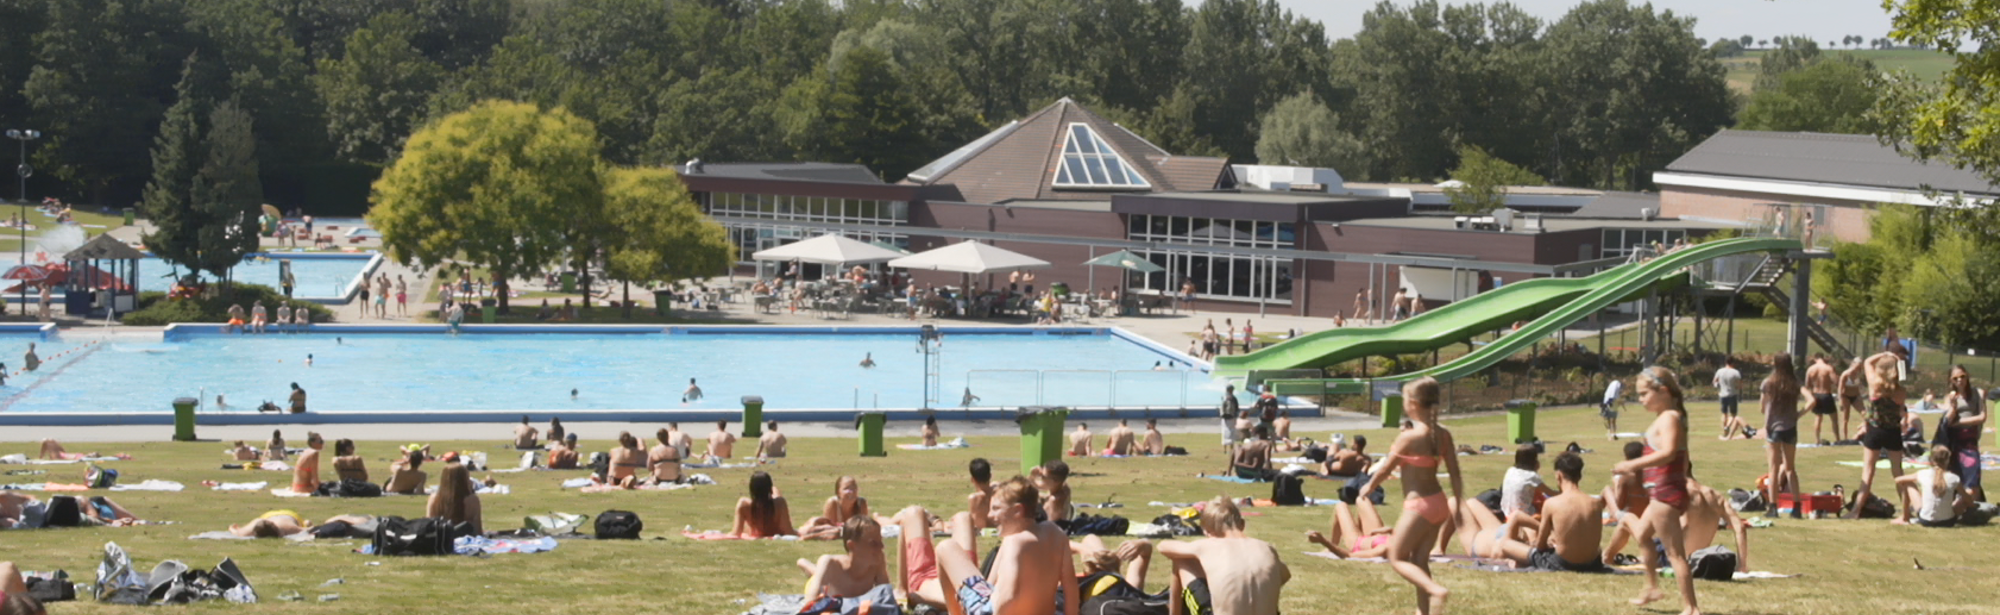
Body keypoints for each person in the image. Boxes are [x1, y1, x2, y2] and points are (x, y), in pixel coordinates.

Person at [1358, 376, 1463, 615]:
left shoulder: (1410, 436)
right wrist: (1459, 504)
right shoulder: (1443, 434)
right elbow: (1455, 473)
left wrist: (1369, 486)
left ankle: (1435, 590)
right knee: (1419, 560)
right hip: (1439, 503)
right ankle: (1423, 611)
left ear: (1413, 403)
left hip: (1419, 506)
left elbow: (1385, 467)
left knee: (1397, 557)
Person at [1613, 366, 1698, 613]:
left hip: (1665, 494)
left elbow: (1669, 452)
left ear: (1662, 390)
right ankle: (1651, 587)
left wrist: (1631, 464)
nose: (1640, 400)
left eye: (1643, 394)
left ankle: (1691, 608)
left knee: (1675, 553)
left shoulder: (1670, 417)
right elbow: (1682, 457)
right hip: (1661, 493)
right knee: (1642, 535)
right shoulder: (1669, 417)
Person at [935, 476, 1078, 615]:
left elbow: (1008, 596)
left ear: (1017, 510)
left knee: (945, 547)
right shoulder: (1056, 533)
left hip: (997, 611)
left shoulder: (1014, 543)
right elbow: (1070, 587)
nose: (990, 515)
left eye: (996, 508)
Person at [1159, 496, 1289, 615]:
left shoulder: (1207, 545)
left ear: (1207, 531)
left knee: (1181, 559)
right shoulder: (1266, 548)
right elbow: (1285, 575)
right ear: (1242, 525)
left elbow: (1163, 546)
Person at [1849, 341, 1910, 520]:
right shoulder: (1901, 391)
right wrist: (1897, 361)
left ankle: (1856, 510)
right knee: (1898, 473)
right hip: (1893, 431)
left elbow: (1868, 362)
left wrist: (1886, 354)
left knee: (1868, 473)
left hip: (1875, 430)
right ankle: (1908, 510)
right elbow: (1900, 410)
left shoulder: (1874, 385)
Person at [798, 516, 892, 606]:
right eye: (873, 543)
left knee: (819, 571)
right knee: (816, 573)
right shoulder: (831, 564)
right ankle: (803, 563)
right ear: (852, 546)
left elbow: (886, 597)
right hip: (826, 581)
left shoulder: (877, 562)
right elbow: (810, 602)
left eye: (880, 541)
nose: (881, 547)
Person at [1761, 353, 1805, 518]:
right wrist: (1798, 414)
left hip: (1773, 427)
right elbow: (1812, 400)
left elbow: (1762, 406)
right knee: (1790, 468)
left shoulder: (1769, 383)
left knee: (1773, 468)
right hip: (1790, 428)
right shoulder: (1794, 383)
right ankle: (1797, 507)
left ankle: (1773, 507)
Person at [1895, 445, 1971, 527]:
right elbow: (1967, 499)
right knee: (1964, 496)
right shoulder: (1954, 478)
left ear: (1930, 459)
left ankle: (1905, 517)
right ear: (1948, 460)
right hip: (1948, 521)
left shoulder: (1923, 473)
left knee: (1908, 483)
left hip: (1926, 520)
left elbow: (1898, 480)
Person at [1942, 365, 1985, 502]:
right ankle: (1961, 507)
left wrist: (1960, 422)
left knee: (1973, 477)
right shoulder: (1950, 397)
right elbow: (1947, 421)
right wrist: (1953, 406)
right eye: (1955, 378)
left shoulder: (1977, 393)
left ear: (1967, 376)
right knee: (1956, 476)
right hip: (1955, 442)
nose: (1959, 380)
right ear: (1951, 380)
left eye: (1962, 376)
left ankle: (1975, 508)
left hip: (1970, 441)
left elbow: (1982, 417)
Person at [1305, 499, 1396, 559]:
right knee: (1362, 499)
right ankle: (1358, 530)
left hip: (1357, 542)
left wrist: (1324, 541)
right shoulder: (1406, 540)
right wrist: (1390, 530)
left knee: (1341, 506)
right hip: (1377, 535)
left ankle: (1333, 543)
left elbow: (1348, 556)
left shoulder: (1383, 549)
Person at [802, 476, 871, 540]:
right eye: (846, 489)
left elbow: (863, 526)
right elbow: (828, 527)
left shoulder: (861, 503)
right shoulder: (832, 503)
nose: (851, 492)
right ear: (838, 492)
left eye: (854, 488)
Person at [1499, 444, 1557, 521]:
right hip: (1525, 516)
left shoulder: (1510, 470)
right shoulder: (1531, 476)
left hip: (1506, 514)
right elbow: (1551, 493)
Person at [732, 471, 798, 538]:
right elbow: (788, 532)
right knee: (776, 492)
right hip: (775, 530)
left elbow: (736, 533)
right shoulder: (780, 504)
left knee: (776, 493)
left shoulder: (744, 504)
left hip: (754, 531)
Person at [427, 460, 483, 533]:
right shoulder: (472, 500)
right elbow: (478, 528)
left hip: (441, 539)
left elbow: (429, 525)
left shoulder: (434, 498)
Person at [1806, 355, 1843, 445]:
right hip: (1826, 394)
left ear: (1815, 359)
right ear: (1823, 358)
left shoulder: (1810, 369)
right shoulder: (1828, 368)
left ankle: (1817, 440)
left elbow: (1807, 384)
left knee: (1818, 417)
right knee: (1834, 418)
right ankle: (1838, 439)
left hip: (1816, 394)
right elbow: (1836, 381)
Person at [1713, 359, 1742, 438]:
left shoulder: (1719, 371)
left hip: (1722, 395)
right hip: (1732, 394)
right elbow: (1739, 385)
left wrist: (1718, 386)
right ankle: (1728, 426)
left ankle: (1724, 429)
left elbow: (1715, 382)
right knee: (1733, 414)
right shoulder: (1735, 372)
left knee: (1724, 414)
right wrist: (1737, 388)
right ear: (1733, 363)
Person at [966, 458, 996, 529]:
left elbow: (975, 524)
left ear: (972, 479)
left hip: (983, 529)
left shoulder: (974, 498)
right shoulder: (998, 490)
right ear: (990, 476)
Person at [1220, 384, 1242, 454]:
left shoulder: (1224, 397)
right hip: (1231, 417)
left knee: (1225, 431)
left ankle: (1225, 449)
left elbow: (1222, 407)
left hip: (1224, 417)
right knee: (1231, 432)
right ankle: (1231, 449)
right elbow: (1236, 408)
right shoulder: (1233, 398)